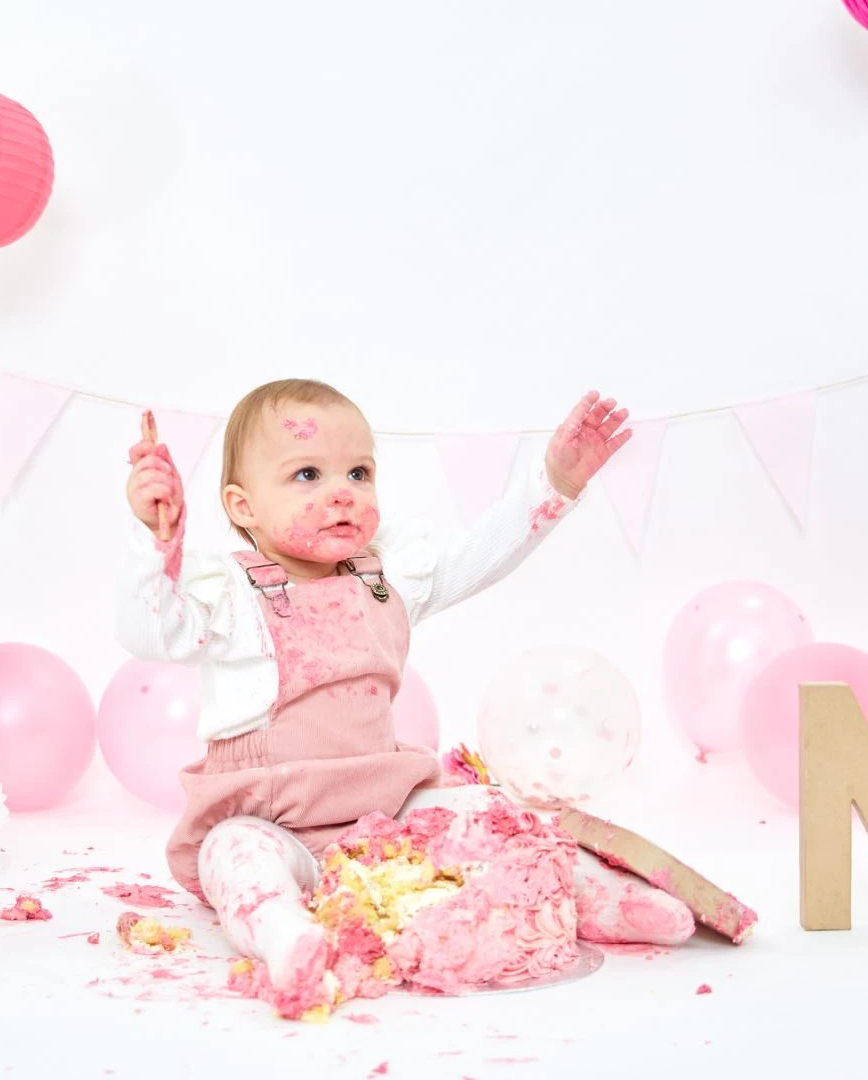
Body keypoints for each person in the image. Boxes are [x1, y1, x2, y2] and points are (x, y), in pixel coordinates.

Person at [117, 378, 694, 998]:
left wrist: (554, 483)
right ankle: (286, 936)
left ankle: (590, 899)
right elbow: (151, 632)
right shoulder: (228, 594)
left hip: (384, 815)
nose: (341, 492)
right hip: (273, 821)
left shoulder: (383, 576)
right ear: (242, 507)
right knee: (232, 854)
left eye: (359, 473)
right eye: (307, 475)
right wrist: (158, 545)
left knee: (492, 815)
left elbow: (481, 555)